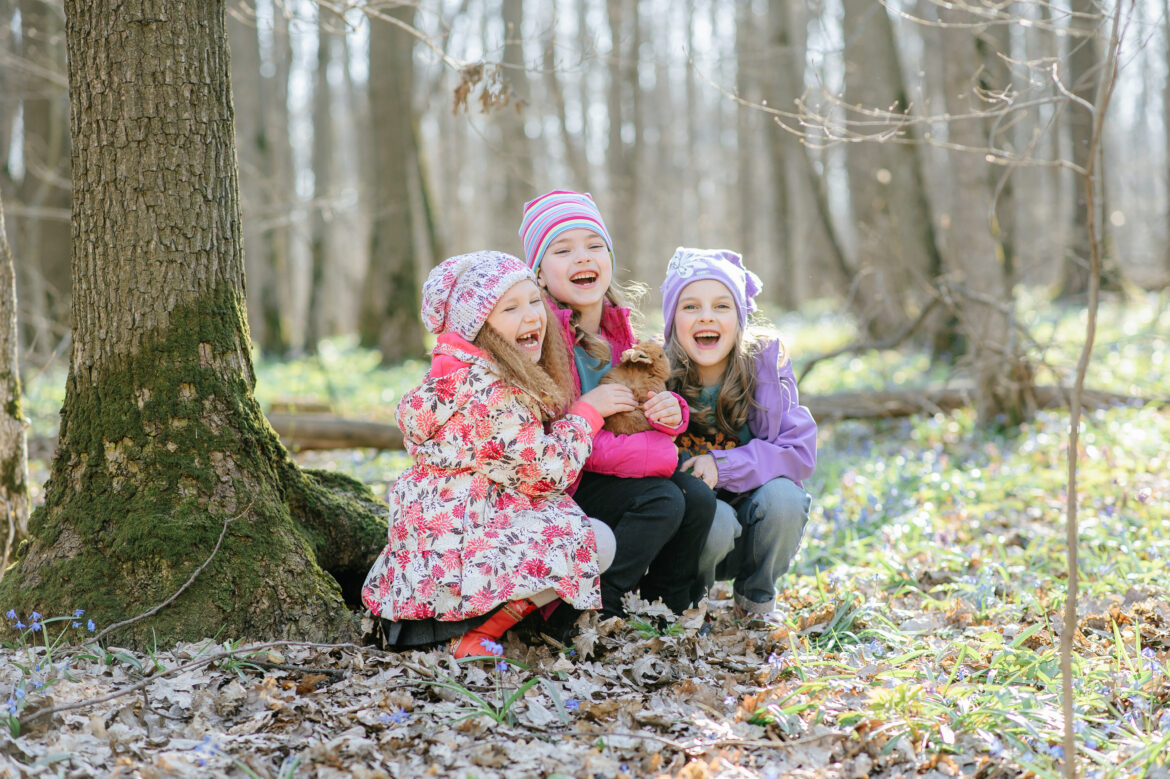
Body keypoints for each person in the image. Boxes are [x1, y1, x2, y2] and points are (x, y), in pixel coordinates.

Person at [361, 251, 632, 658]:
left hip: (436, 563)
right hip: (455, 571)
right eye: (510, 307)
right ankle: (476, 635)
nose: (532, 317)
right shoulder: (489, 392)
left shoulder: (455, 377)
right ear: (479, 326)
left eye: (534, 301)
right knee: (596, 540)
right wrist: (585, 415)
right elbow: (544, 472)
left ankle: (487, 629)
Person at [518, 190, 715, 618]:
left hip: (620, 462)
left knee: (697, 498)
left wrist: (669, 412)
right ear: (538, 272)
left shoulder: (620, 330)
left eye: (593, 246)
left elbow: (645, 392)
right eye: (563, 249)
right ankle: (593, 610)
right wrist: (588, 407)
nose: (582, 258)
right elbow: (535, 428)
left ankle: (666, 608)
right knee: (663, 499)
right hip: (569, 478)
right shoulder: (540, 334)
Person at [659, 247, 817, 618]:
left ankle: (756, 596)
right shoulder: (658, 373)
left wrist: (722, 465)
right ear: (672, 319)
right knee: (715, 520)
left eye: (721, 306)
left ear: (740, 316)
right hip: (696, 529)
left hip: (754, 523)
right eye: (691, 306)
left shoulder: (765, 364)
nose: (706, 318)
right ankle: (691, 599)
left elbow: (799, 452)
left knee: (785, 499)